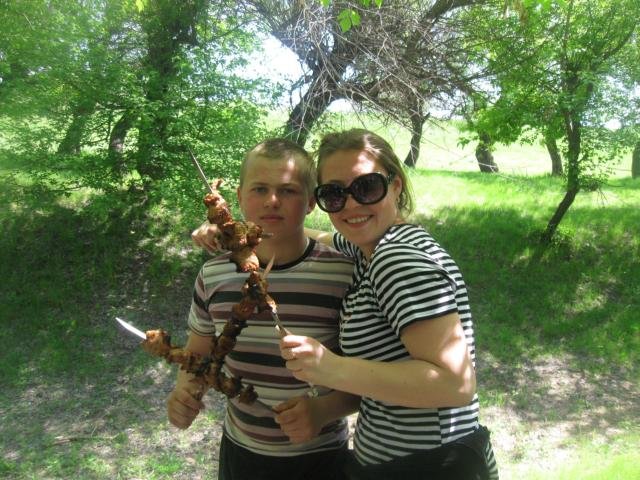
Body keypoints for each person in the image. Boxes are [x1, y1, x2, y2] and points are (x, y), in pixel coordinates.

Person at [279, 129, 499, 480]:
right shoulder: (372, 244)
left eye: (367, 187)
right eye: (334, 194)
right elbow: (324, 237)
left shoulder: (396, 260)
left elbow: (454, 384)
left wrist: (330, 367)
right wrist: (244, 232)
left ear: (395, 185)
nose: (351, 205)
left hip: (428, 466)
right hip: (399, 462)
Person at [168, 138, 359, 480]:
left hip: (322, 459)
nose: (272, 201)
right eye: (259, 189)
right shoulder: (213, 275)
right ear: (239, 197)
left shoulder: (343, 275)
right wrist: (184, 393)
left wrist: (322, 410)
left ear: (311, 201)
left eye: (288, 190)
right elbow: (197, 355)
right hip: (241, 455)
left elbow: (366, 377)